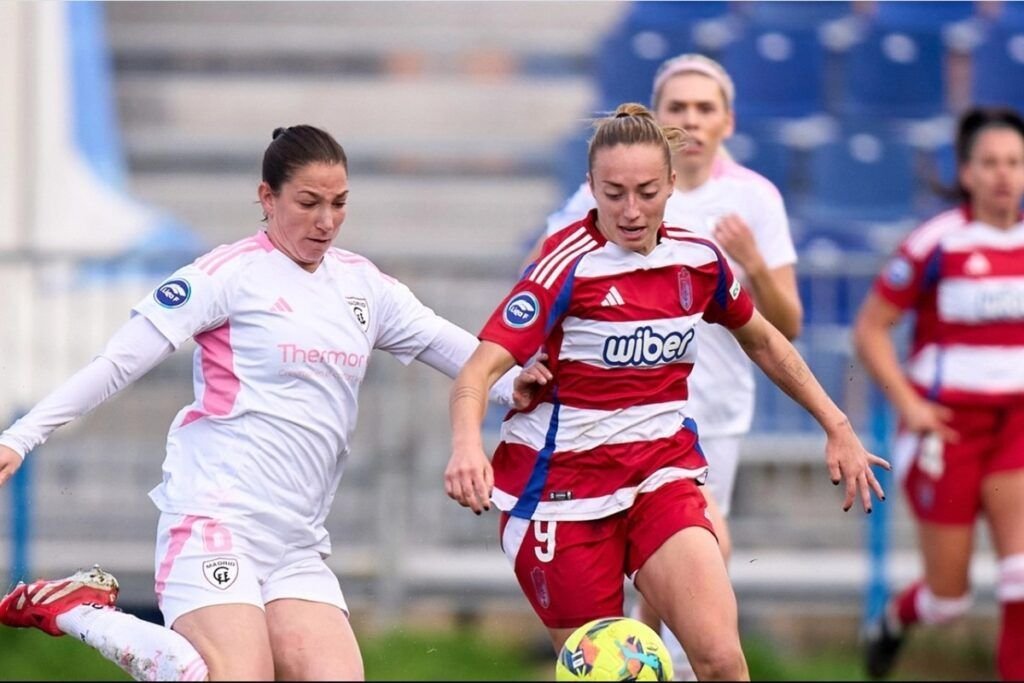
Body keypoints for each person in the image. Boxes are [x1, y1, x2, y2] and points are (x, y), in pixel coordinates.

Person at [0, 124, 539, 681]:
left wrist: (514, 382)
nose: (326, 221)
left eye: (339, 204)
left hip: (297, 540)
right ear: (267, 197)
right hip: (216, 518)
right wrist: (22, 435)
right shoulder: (228, 276)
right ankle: (80, 611)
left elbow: (447, 344)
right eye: (308, 203)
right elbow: (118, 363)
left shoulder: (362, 286)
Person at [446, 103, 887, 682]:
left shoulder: (698, 260)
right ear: (590, 188)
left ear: (673, 184)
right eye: (614, 192)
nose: (631, 210)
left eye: (648, 191)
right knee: (611, 675)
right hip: (561, 496)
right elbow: (476, 371)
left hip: (661, 476)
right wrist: (465, 447)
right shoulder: (563, 271)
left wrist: (837, 424)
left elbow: (765, 341)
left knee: (723, 661)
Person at [523, 52, 803, 679]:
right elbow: (544, 291)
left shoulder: (753, 198)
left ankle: (657, 662)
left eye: (706, 108)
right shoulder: (599, 199)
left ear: (727, 120)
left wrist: (752, 263)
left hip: (711, 417)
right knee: (678, 566)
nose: (693, 119)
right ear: (658, 119)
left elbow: (787, 324)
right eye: (679, 107)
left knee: (695, 566)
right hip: (608, 424)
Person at [855, 106, 1024, 681]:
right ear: (968, 172)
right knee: (948, 601)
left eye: (1014, 163)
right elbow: (870, 327)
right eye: (990, 163)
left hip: (1015, 426)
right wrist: (909, 404)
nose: (1003, 175)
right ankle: (895, 620)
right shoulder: (936, 242)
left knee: (1020, 576)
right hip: (946, 429)